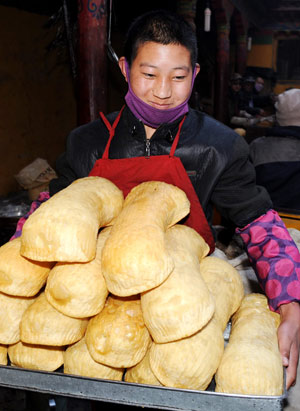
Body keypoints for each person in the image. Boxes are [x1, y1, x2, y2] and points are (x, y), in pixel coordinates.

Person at [16, 10, 300, 390]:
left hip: (184, 300)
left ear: (195, 74)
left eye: (179, 77)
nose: (163, 90)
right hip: (94, 299)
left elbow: (259, 224)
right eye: (149, 74)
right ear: (124, 67)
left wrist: (290, 301)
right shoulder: (86, 142)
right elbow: (49, 215)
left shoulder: (220, 146)